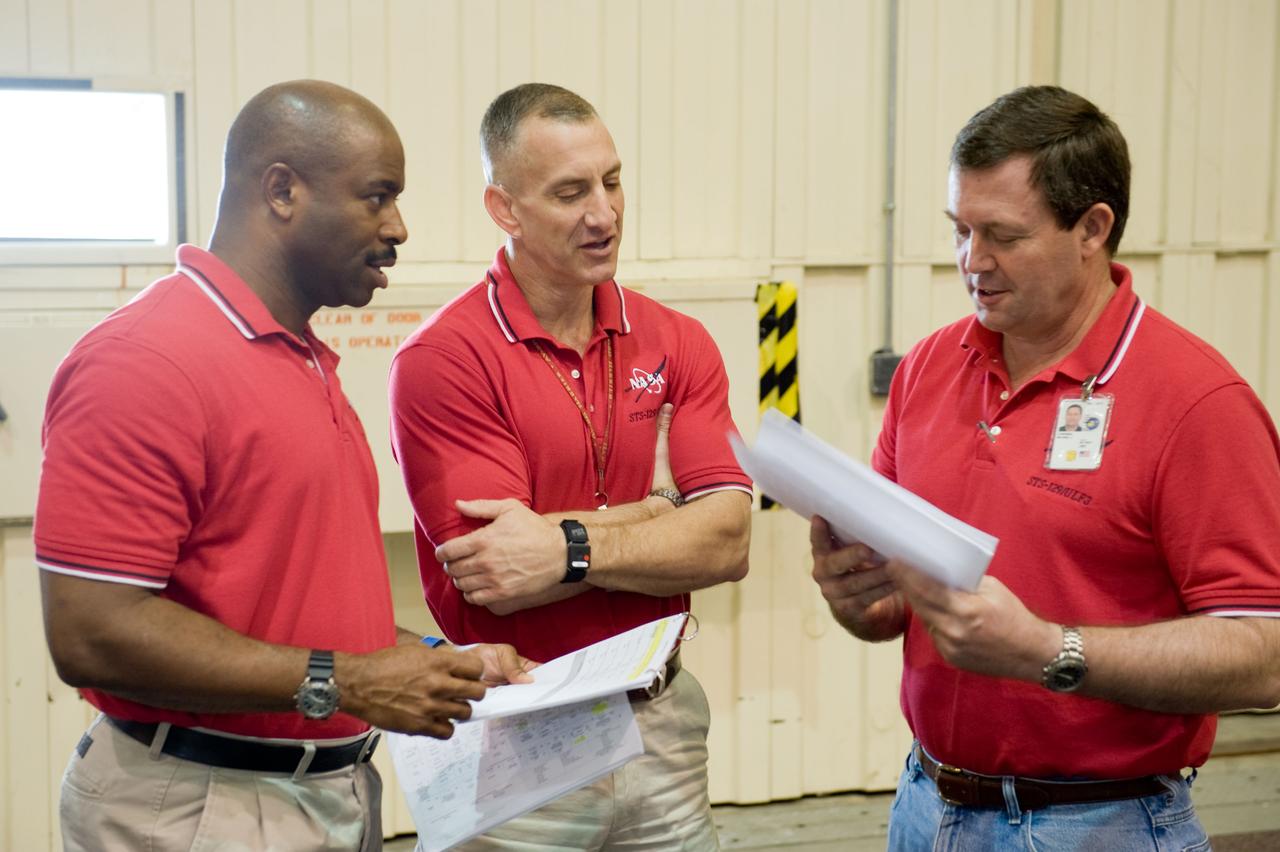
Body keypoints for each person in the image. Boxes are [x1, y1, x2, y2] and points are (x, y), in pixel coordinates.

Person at [36, 80, 531, 852]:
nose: (397, 226)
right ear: (281, 190)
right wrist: (353, 681)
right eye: (376, 196)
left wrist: (427, 660)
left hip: (322, 791)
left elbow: (283, 611)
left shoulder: (300, 359)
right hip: (202, 808)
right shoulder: (145, 363)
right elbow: (92, 633)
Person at [809, 85, 1280, 850]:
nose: (972, 261)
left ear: (1094, 227)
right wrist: (856, 596)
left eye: (1002, 235)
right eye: (960, 230)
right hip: (927, 805)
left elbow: (1264, 655)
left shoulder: (1198, 403)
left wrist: (1048, 651)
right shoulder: (929, 368)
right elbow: (898, 607)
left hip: (1104, 823)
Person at [389, 82, 753, 849]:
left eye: (612, 181)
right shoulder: (445, 359)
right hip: (518, 726)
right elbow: (497, 572)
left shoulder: (677, 341)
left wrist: (568, 547)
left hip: (662, 719)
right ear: (504, 208)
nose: (604, 213)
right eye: (569, 192)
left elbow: (725, 541)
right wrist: (656, 514)